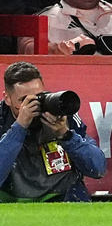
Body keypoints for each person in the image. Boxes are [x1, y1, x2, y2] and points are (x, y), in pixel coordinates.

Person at [0, 61, 106, 201]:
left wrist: (66, 135)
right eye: (24, 100)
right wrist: (19, 128)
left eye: (39, 96)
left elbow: (98, 168)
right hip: (14, 202)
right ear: (7, 99)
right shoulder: (2, 118)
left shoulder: (61, 110)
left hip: (65, 197)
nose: (35, 105)